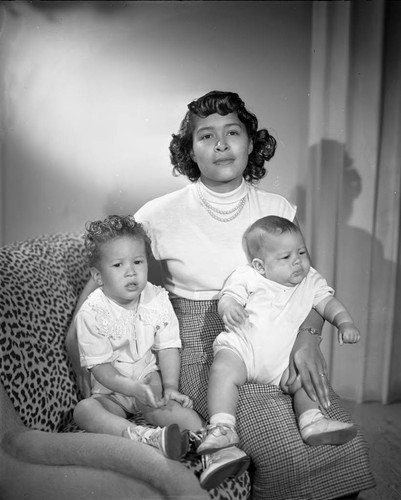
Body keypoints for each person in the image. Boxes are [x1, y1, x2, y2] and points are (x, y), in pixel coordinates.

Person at [67, 90, 373, 498]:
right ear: (190, 151)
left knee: (338, 434)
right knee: (284, 447)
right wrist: (77, 342)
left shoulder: (276, 207)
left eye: (233, 132)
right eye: (206, 136)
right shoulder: (158, 213)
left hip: (276, 339)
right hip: (196, 350)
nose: (222, 144)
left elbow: (305, 280)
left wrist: (310, 336)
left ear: (251, 143)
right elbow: (102, 284)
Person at [197, 215, 359, 456]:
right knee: (222, 371)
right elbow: (229, 296)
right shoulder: (249, 276)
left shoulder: (311, 280)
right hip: (243, 351)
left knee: (304, 379)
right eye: (286, 257)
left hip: (284, 363)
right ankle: (223, 427)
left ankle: (312, 421)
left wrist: (345, 322)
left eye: (302, 253)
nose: (298, 262)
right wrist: (229, 307)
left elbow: (328, 303)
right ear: (260, 265)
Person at [73, 215, 203, 461]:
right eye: (118, 265)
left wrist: (171, 387)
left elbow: (168, 347)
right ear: (98, 276)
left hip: (148, 380)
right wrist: (131, 389)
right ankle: (142, 435)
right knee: (85, 410)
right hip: (111, 391)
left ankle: (210, 443)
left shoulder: (156, 299)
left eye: (137, 262)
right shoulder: (92, 312)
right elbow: (100, 368)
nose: (130, 272)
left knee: (172, 408)